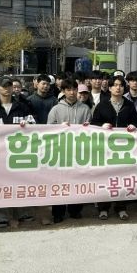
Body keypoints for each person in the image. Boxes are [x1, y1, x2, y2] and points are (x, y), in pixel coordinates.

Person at [0, 76, 37, 227]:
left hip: (18, 153)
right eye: (4, 86)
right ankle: (2, 217)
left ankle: (23, 212)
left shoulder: (22, 107)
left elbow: (34, 125)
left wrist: (27, 125)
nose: (7, 89)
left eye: (9, 86)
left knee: (21, 182)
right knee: (0, 184)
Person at [91, 76, 137, 220]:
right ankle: (103, 208)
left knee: (122, 178)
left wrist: (133, 126)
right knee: (105, 177)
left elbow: (136, 122)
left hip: (123, 148)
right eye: (115, 85)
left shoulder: (129, 105)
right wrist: (102, 125)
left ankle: (121, 207)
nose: (118, 88)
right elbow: (94, 123)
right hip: (105, 148)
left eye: (121, 85)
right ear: (110, 88)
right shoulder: (102, 105)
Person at [45, 79, 92, 223]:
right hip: (60, 151)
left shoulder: (85, 108)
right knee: (59, 183)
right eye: (68, 89)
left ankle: (75, 210)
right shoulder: (56, 109)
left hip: (79, 151)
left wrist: (87, 127)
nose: (72, 92)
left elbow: (91, 128)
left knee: (77, 181)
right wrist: (59, 127)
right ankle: (58, 213)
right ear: (63, 91)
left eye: (74, 89)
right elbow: (48, 129)